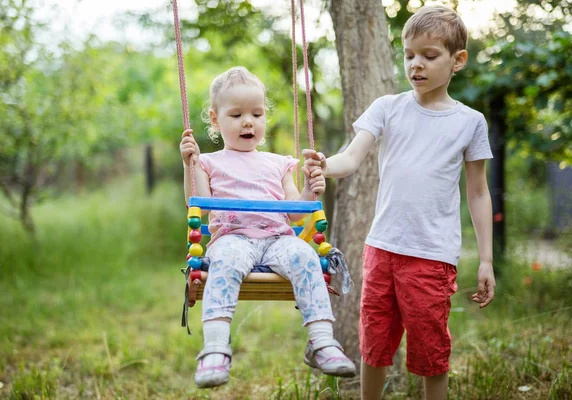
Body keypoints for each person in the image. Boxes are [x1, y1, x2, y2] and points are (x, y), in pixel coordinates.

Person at [303, 6, 496, 400]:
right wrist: (324, 163)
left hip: (431, 256)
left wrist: (487, 260)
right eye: (409, 55)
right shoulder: (387, 108)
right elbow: (351, 158)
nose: (416, 65)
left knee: (431, 352)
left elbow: (477, 191)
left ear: (457, 60)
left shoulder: (470, 122)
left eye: (429, 55)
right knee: (374, 344)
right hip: (382, 249)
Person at [179, 66, 356, 389]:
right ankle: (216, 348)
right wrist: (188, 164)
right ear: (216, 120)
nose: (249, 121)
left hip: (277, 239)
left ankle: (322, 343)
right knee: (227, 259)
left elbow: (297, 216)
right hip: (232, 239)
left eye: (256, 113)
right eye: (236, 115)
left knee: (304, 255)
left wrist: (309, 192)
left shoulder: (278, 163)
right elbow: (198, 203)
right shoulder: (209, 162)